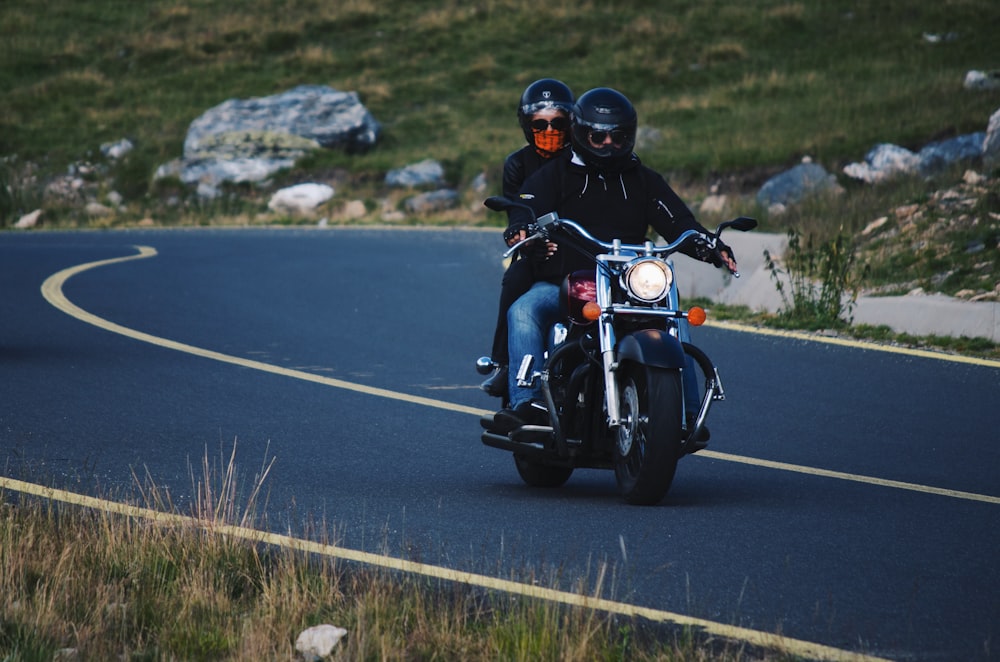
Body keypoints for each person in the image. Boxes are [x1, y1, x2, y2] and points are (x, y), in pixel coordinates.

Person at [494, 87, 737, 431]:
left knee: (675, 315)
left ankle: (683, 414)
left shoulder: (643, 179)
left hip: (629, 285)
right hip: (567, 280)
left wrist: (709, 247)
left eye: (618, 137)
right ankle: (526, 401)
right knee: (524, 309)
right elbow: (527, 204)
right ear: (580, 134)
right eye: (598, 137)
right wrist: (521, 227)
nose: (609, 145)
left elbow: (679, 222)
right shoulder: (556, 174)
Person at [480, 78, 575, 397]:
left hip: (582, 249)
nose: (549, 131)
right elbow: (518, 208)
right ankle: (504, 363)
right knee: (515, 277)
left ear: (572, 123)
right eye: (540, 124)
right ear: (526, 125)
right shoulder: (517, 163)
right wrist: (522, 233)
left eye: (558, 123)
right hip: (539, 250)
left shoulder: (583, 160)